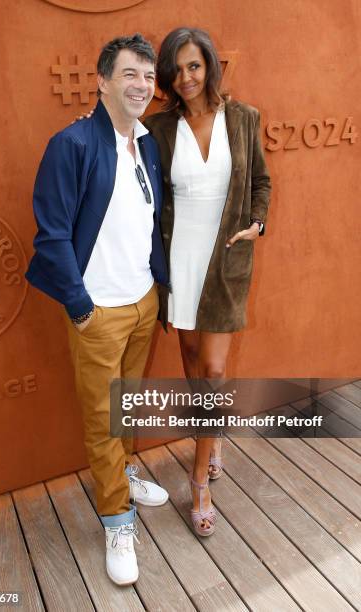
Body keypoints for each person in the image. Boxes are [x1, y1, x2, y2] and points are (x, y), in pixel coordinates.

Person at [25, 34, 170, 586]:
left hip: (141, 302)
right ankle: (116, 518)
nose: (142, 85)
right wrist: (80, 307)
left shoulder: (147, 143)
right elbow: (52, 235)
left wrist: (157, 288)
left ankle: (125, 475)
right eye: (130, 74)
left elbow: (148, 222)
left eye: (148, 77)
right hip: (99, 313)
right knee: (103, 422)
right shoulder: (74, 144)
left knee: (125, 406)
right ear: (103, 81)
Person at [143, 27, 271, 536]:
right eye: (176, 69)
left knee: (214, 371)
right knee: (193, 363)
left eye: (194, 65)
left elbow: (260, 180)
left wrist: (258, 223)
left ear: (210, 66)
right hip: (179, 259)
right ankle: (211, 438)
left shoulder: (243, 118)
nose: (186, 77)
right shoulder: (158, 128)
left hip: (224, 259)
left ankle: (198, 479)